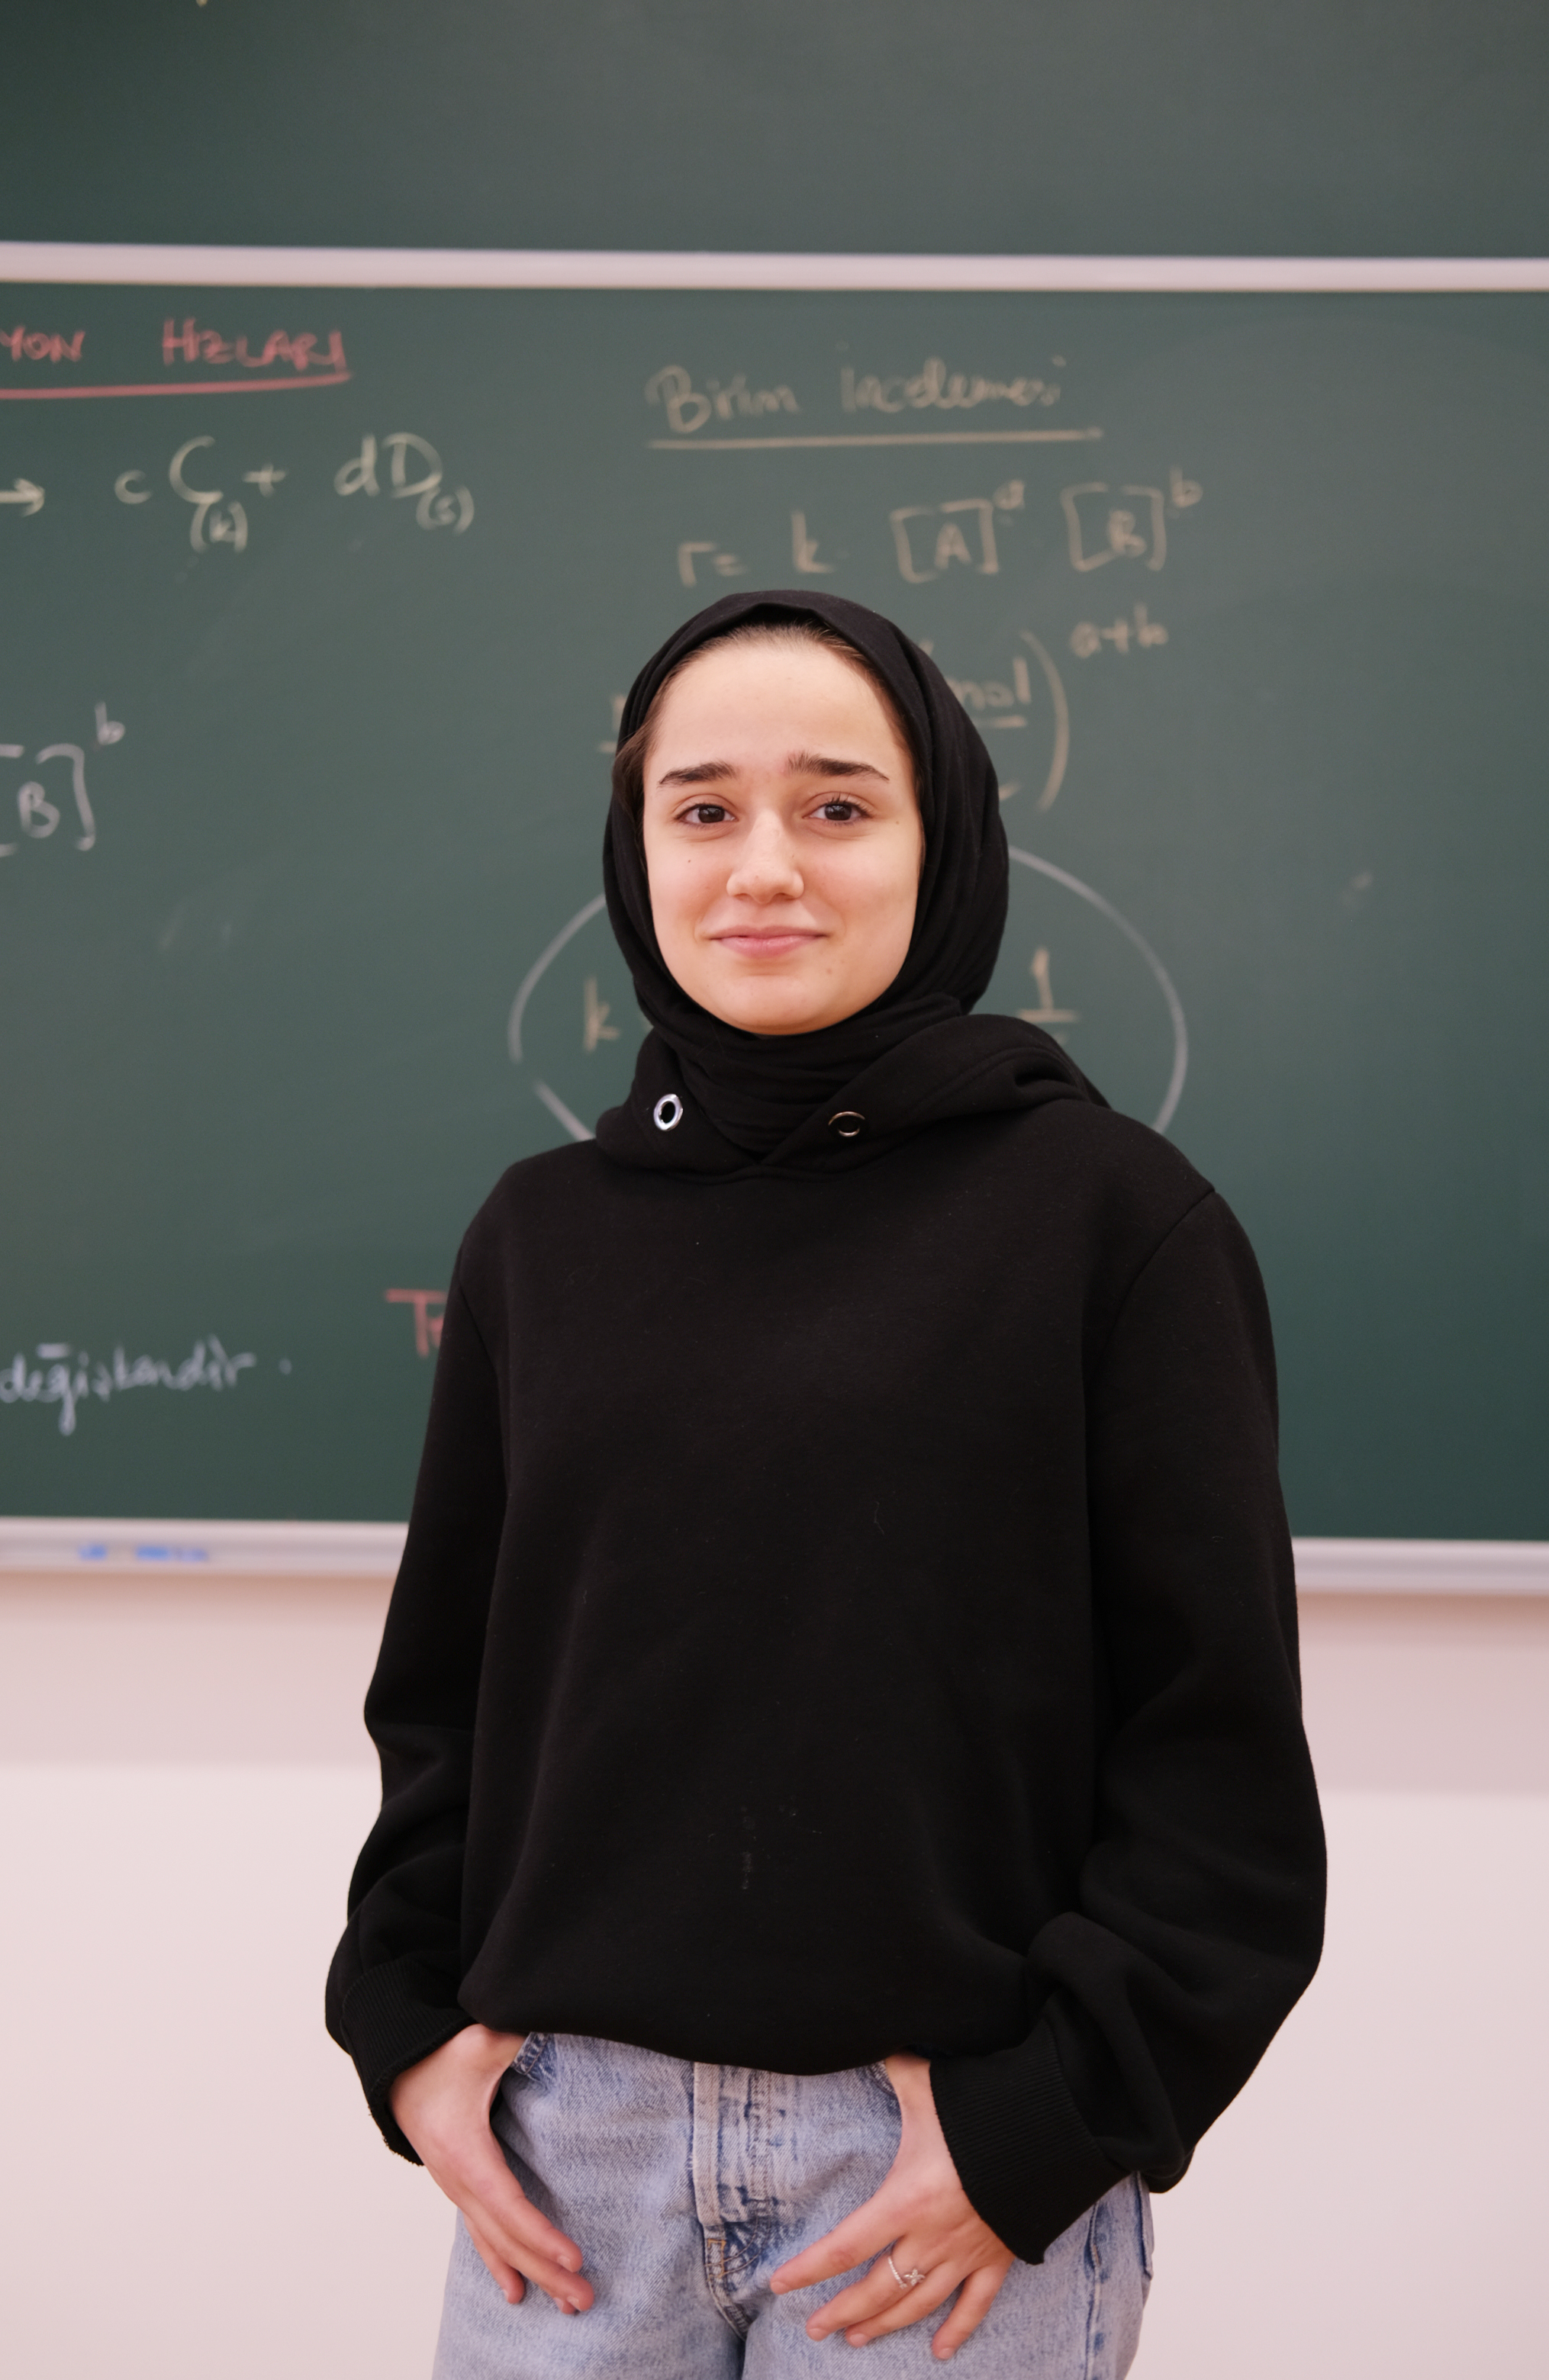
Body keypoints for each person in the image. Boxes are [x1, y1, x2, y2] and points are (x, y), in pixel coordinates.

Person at [327, 590, 1326, 2376]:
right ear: (636, 854)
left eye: (838, 805)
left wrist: (1048, 2122)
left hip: (936, 2175)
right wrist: (402, 2030)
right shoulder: (540, 1238)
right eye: (702, 808)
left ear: (941, 844)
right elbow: (447, 1701)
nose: (763, 866)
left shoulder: (1111, 1221)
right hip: (574, 2165)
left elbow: (1215, 1757)